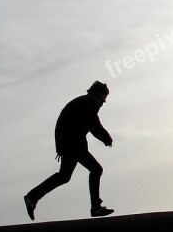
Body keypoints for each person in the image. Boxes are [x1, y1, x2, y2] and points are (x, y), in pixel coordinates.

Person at [24, 81, 115, 220]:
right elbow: (93, 123)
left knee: (64, 176)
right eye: (105, 97)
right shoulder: (92, 101)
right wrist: (106, 138)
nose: (104, 101)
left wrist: (60, 146)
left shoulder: (82, 101)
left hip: (67, 142)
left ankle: (32, 196)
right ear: (99, 94)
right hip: (73, 142)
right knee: (96, 170)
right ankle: (95, 207)